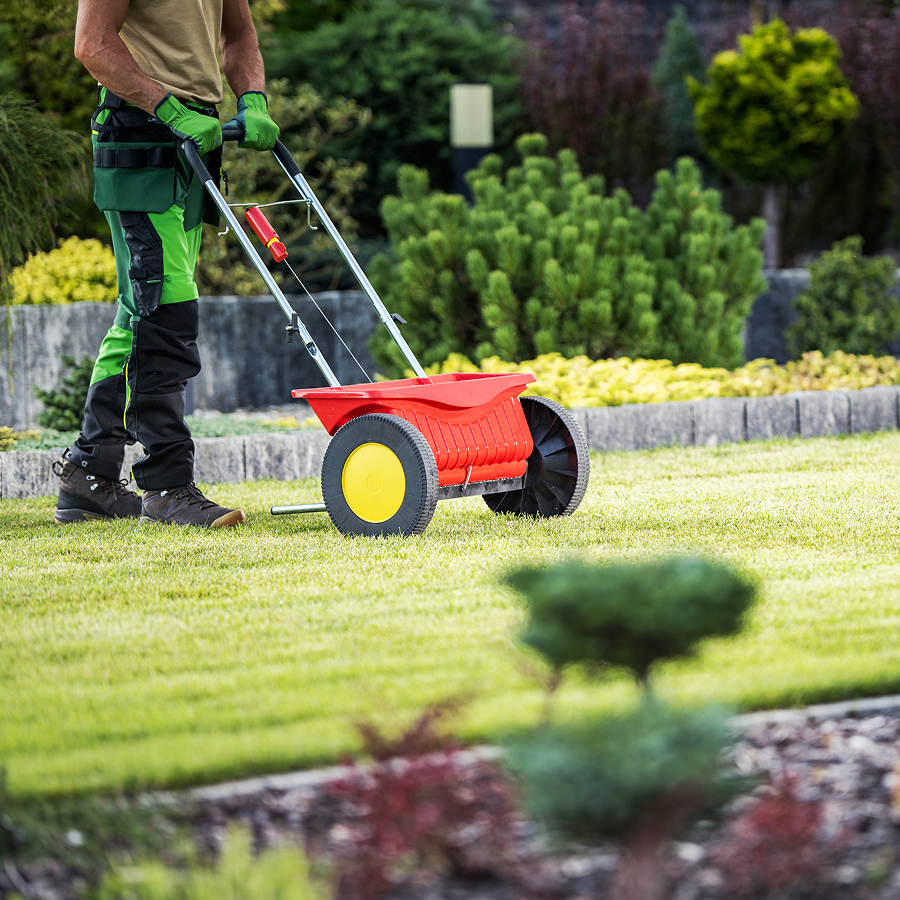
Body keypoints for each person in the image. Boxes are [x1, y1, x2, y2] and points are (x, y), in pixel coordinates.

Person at [53, 0, 279, 527]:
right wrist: (168, 109)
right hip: (140, 134)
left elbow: (238, 33)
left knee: (140, 313)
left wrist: (252, 98)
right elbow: (93, 45)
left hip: (197, 138)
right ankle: (167, 487)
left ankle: (90, 475)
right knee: (167, 311)